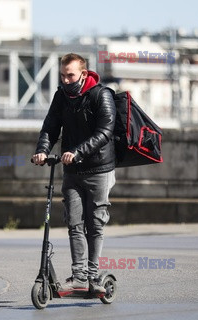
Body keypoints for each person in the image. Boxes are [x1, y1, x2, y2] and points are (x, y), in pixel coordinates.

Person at [32, 53, 116, 295]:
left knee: (95, 223)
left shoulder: (102, 95)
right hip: (72, 170)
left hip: (99, 169)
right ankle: (79, 276)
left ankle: (92, 275)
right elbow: (50, 127)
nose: (66, 80)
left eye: (70, 75)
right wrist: (42, 151)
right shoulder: (61, 96)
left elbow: (105, 131)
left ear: (83, 73)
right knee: (74, 223)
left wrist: (78, 152)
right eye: (63, 75)